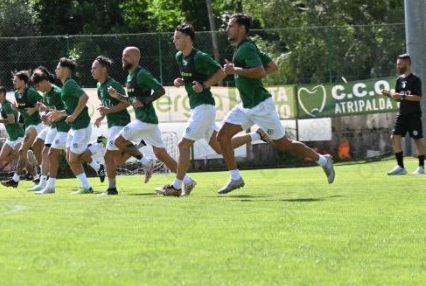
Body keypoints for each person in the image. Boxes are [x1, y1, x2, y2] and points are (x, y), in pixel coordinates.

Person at [216, 13, 335, 194]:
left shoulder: (246, 48)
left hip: (261, 107)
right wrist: (242, 71)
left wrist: (235, 70)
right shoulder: (248, 47)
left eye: (231, 25)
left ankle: (323, 160)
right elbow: (272, 66)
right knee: (222, 137)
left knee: (284, 145)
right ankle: (235, 178)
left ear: (241, 29)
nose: (227, 28)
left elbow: (260, 72)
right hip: (246, 105)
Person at [160, 23, 266, 197]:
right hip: (198, 108)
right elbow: (190, 77)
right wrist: (181, 81)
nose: (174, 40)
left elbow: (221, 72)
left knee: (183, 145)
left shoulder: (200, 57)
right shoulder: (180, 56)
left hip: (204, 108)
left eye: (177, 37)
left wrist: (204, 85)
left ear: (188, 38)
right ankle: (257, 135)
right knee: (219, 148)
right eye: (174, 37)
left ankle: (177, 186)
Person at [108, 46, 196, 192]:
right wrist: (117, 96)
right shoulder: (130, 76)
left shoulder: (141, 74)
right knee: (161, 154)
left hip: (145, 121)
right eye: (123, 56)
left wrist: (145, 101)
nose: (124, 59)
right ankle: (188, 181)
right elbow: (132, 101)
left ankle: (146, 162)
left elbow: (160, 89)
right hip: (148, 122)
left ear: (137, 58)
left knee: (118, 141)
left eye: (127, 56)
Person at [47, 57, 106, 194]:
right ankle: (86, 186)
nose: (56, 70)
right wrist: (60, 113)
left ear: (66, 70)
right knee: (70, 159)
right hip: (74, 128)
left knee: (74, 159)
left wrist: (73, 116)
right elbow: (70, 109)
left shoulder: (70, 84)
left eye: (58, 68)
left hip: (81, 128)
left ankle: (99, 145)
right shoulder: (66, 85)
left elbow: (84, 97)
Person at [92, 55, 133, 196]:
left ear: (104, 69)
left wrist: (108, 111)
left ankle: (111, 189)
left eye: (95, 67)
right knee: (116, 160)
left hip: (120, 123)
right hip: (112, 124)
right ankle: (140, 148)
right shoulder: (99, 86)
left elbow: (127, 102)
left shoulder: (112, 84)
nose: (92, 70)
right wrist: (101, 116)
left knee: (108, 156)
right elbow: (104, 105)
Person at [381, 53, 426, 175]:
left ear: (407, 64)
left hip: (414, 114)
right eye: (397, 64)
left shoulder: (415, 80)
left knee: (417, 139)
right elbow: (398, 98)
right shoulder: (399, 80)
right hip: (402, 114)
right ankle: (401, 167)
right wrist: (389, 94)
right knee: (394, 137)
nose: (398, 66)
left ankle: (421, 166)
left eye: (399, 64)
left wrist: (403, 96)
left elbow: (417, 98)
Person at [29, 68, 70, 194]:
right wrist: (46, 114)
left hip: (63, 128)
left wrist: (53, 113)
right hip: (53, 127)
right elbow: (53, 110)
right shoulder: (46, 95)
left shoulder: (58, 92)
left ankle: (50, 186)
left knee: (73, 155)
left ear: (45, 81)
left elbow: (68, 110)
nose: (37, 88)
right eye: (35, 86)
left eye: (38, 85)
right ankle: (44, 184)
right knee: (46, 152)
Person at [11, 70, 44, 183]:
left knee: (22, 150)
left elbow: (44, 101)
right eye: (13, 80)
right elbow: (21, 108)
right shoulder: (16, 94)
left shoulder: (30, 92)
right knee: (31, 151)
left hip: (36, 124)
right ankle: (42, 175)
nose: (14, 82)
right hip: (29, 125)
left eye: (16, 80)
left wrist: (34, 109)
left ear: (23, 82)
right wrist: (16, 108)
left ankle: (15, 180)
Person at [0, 85, 26, 187]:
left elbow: (12, 121)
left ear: (2, 94)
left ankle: (18, 179)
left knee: (21, 158)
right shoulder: (4, 106)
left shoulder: (7, 106)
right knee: (3, 156)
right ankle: (26, 157)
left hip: (18, 135)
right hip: (11, 137)